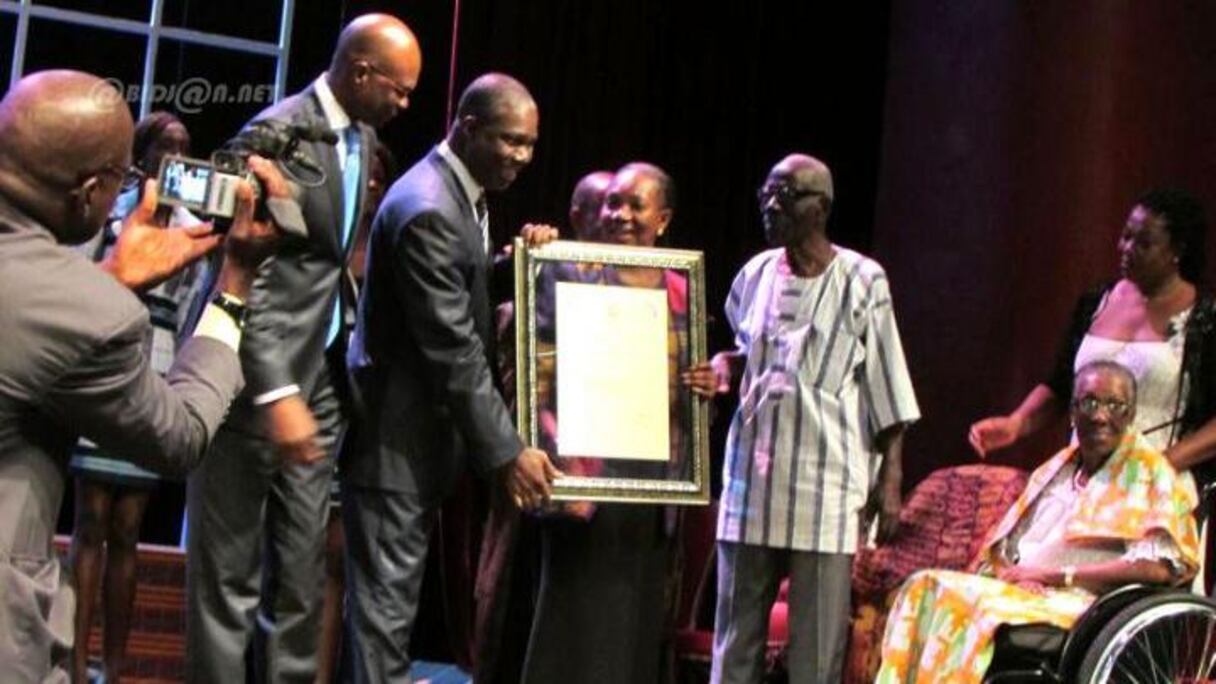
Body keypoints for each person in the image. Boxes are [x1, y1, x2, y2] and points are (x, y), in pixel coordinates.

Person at [0, 69, 283, 684]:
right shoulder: (85, 314)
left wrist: (105, 280)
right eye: (123, 179)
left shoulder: (68, 298)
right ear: (90, 193)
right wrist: (234, 285)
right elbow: (179, 436)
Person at [184, 14, 422, 683]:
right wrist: (277, 390)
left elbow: (327, 262)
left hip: (318, 375)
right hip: (249, 382)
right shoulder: (277, 134)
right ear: (361, 71)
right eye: (398, 90)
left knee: (301, 576)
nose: (405, 105)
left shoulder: (363, 133)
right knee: (226, 579)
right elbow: (245, 273)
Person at [342, 72, 559, 683]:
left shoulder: (453, 195)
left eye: (530, 145)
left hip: (413, 445)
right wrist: (508, 452)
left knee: (383, 620)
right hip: (395, 447)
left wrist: (506, 264)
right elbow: (454, 350)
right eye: (510, 140)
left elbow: (454, 290)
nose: (521, 156)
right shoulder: (431, 208)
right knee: (384, 620)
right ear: (467, 128)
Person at [708, 154, 921, 684]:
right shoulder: (754, 274)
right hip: (752, 478)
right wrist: (722, 365)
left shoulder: (862, 279)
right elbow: (752, 354)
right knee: (736, 635)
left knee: (816, 645)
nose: (771, 203)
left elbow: (887, 382)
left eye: (787, 194)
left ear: (820, 207)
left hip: (826, 483)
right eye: (767, 191)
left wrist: (891, 480)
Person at [878, 361, 1200, 683]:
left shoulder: (1151, 474)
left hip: (1085, 603)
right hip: (1027, 589)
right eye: (1089, 402)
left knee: (976, 610)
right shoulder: (1056, 469)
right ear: (1073, 412)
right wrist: (1012, 574)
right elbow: (1007, 544)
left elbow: (1159, 568)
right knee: (924, 585)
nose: (1101, 415)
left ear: (1130, 415)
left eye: (1115, 405)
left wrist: (1055, 576)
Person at [519, 162, 715, 684]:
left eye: (636, 206)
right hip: (587, 475)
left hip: (651, 483)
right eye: (613, 203)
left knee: (634, 621)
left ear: (663, 219)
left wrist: (703, 386)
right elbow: (536, 370)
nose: (620, 214)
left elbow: (691, 394)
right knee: (572, 620)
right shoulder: (570, 271)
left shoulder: (681, 290)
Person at [66, 111, 208, 684]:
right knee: (90, 518)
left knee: (128, 524)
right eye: (164, 148)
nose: (173, 157)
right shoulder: (116, 212)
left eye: (183, 148)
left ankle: (116, 664)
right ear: (143, 156)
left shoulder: (195, 225)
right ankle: (76, 660)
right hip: (105, 358)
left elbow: (197, 304)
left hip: (155, 368)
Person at [472, 168, 615, 684]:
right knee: (515, 602)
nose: (613, 216)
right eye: (601, 204)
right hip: (535, 472)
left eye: (623, 204)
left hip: (612, 486)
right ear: (576, 214)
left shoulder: (648, 292)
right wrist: (526, 261)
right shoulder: (542, 281)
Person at [968, 190, 1216, 477]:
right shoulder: (1096, 302)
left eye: (1144, 243)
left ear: (1177, 251)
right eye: (1126, 236)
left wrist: (1163, 464)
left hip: (1154, 479)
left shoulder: (1205, 318)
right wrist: (1016, 423)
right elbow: (1061, 386)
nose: (1127, 247)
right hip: (1085, 474)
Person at [314, 140, 397, 684]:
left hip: (369, 415)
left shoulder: (393, 247)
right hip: (316, 406)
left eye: (377, 178)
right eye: (362, 176)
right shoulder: (326, 244)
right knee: (310, 561)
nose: (369, 186)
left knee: (345, 561)